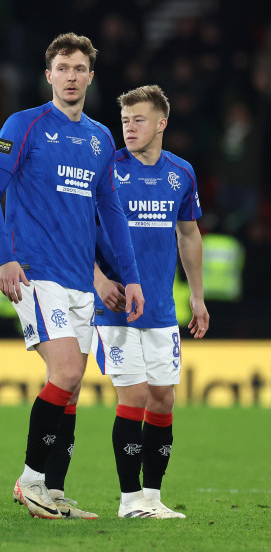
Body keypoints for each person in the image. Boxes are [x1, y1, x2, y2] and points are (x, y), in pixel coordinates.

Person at [0, 32, 145, 520]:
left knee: (71, 388)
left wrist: (127, 276)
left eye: (79, 69)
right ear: (48, 74)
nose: (71, 77)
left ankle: (52, 491)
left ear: (91, 76)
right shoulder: (24, 124)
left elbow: (110, 211)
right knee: (67, 371)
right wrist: (6, 257)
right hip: (35, 272)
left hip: (78, 279)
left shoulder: (100, 138)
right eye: (62, 68)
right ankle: (29, 482)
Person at [92, 84, 208, 519]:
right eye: (124, 120)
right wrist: (98, 279)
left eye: (138, 119)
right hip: (116, 305)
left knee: (163, 399)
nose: (129, 127)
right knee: (135, 395)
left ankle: (153, 498)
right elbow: (78, 227)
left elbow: (189, 233)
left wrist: (197, 296)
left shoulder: (181, 173)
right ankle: (128, 501)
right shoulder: (108, 169)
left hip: (161, 308)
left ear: (161, 123)